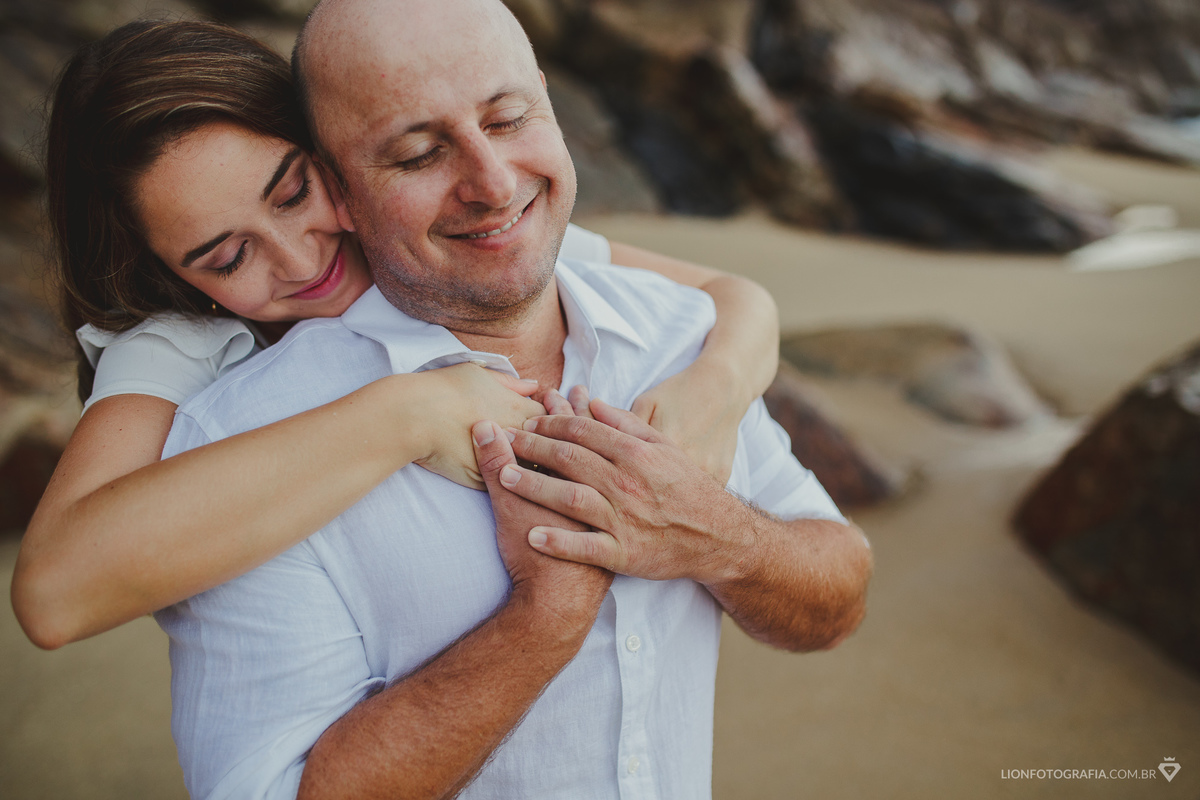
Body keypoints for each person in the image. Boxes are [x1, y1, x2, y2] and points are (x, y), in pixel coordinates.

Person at [152, 1, 874, 797]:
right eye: (419, 154)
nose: (493, 186)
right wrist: (542, 620)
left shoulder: (678, 333)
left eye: (507, 119)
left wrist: (718, 537)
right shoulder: (244, 439)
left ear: (548, 101)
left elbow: (839, 595)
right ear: (337, 190)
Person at [10, 19, 781, 651]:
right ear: (171, 276)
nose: (300, 254)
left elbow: (733, 295)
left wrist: (715, 392)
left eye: (293, 192)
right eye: (227, 255)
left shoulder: (438, 240)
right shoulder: (179, 338)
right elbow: (52, 593)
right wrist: (409, 415)